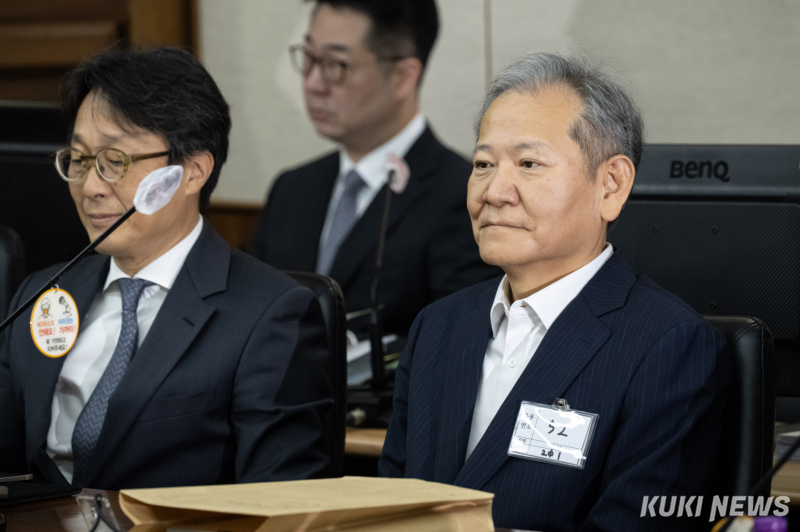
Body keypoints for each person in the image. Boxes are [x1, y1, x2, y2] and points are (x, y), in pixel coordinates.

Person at [379, 52, 732, 531]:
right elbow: (387, 508)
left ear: (611, 185)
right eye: (483, 164)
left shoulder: (669, 345)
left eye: (529, 163)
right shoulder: (438, 326)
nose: (494, 191)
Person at [0, 47, 333, 490]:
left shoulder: (270, 314)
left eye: (115, 161)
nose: (91, 186)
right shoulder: (39, 294)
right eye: (79, 160)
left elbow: (280, 502)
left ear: (192, 171)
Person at [249, 0, 499, 337]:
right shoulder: (292, 188)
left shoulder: (463, 195)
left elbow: (455, 343)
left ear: (403, 77)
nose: (313, 83)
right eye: (309, 57)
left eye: (335, 64)